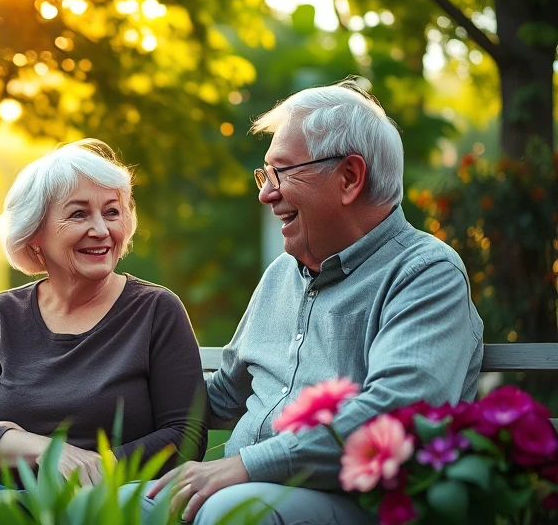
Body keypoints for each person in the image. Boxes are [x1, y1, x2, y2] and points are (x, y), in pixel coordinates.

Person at [147, 81, 484, 524]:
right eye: (265, 175)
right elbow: (222, 396)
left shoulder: (425, 272)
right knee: (90, 505)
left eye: (281, 173)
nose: (266, 193)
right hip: (243, 492)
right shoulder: (280, 276)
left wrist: (244, 467)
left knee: (229, 514)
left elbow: (398, 411)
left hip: (358, 502)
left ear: (349, 178)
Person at [0, 139, 207, 502]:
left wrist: (93, 469)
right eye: (79, 214)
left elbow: (186, 435)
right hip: (9, 497)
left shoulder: (156, 309)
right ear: (35, 234)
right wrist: (46, 451)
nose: (101, 229)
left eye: (112, 212)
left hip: (111, 496)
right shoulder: (3, 315)